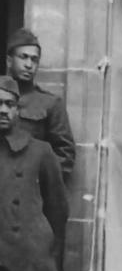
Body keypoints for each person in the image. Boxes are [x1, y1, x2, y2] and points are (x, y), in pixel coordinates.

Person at [0, 76, 72, 271]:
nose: (3, 110)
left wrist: (41, 249)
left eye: (9, 104)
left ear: (18, 109)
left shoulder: (40, 151)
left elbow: (58, 209)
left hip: (26, 260)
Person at [6, 28, 75, 181]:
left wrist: (39, 182)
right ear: (9, 61)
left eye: (34, 59)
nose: (29, 65)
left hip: (29, 192)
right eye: (23, 57)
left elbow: (65, 155)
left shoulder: (50, 104)